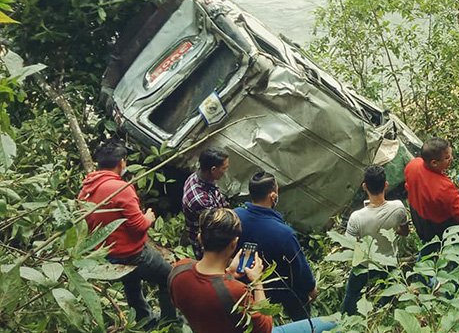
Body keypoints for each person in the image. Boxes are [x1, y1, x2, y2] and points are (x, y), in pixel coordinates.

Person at [169, 208, 336, 333]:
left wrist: (229, 271)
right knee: (333, 322)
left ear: (200, 238)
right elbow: (265, 328)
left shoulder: (179, 269)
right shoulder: (235, 291)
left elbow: (204, 290)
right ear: (234, 244)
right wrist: (257, 281)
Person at [77, 143, 176, 326]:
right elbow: (138, 226)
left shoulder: (87, 187)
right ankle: (170, 323)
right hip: (132, 253)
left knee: (132, 286)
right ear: (122, 163)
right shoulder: (120, 188)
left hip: (109, 252)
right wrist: (148, 217)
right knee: (170, 278)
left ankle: (143, 320)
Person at [235, 172, 317, 321]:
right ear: (273, 196)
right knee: (299, 298)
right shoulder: (284, 234)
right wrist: (311, 288)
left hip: (242, 284)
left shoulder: (236, 216)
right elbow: (299, 267)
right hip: (276, 289)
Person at [405, 137, 459, 256]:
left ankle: (423, 265)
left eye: (450, 154)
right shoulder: (443, 188)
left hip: (418, 215)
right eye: (447, 158)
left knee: (428, 246)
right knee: (458, 251)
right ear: (434, 163)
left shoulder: (413, 164)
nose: (451, 158)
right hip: (440, 225)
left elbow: (408, 185)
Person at [341, 165, 410, 315]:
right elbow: (405, 232)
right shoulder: (399, 207)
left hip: (365, 263)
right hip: (389, 261)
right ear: (386, 184)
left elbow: (350, 246)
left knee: (352, 294)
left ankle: (346, 318)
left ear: (364, 186)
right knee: (388, 290)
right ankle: (383, 312)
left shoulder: (356, 218)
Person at [183, 147, 230, 258]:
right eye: (224, 168)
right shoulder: (200, 200)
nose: (226, 171)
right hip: (205, 242)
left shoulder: (202, 177)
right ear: (213, 169)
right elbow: (218, 224)